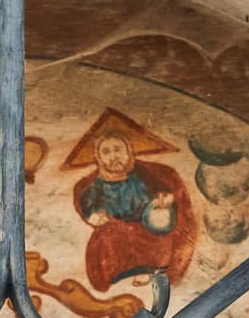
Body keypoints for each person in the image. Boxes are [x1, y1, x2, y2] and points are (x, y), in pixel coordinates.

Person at [65, 109, 198, 291]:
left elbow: (163, 188)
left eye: (118, 149)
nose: (114, 156)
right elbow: (87, 202)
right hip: (114, 227)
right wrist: (92, 215)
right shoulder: (96, 184)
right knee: (109, 239)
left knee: (159, 239)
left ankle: (148, 270)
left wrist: (165, 198)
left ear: (129, 151)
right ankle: (118, 274)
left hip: (145, 225)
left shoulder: (143, 174)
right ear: (99, 158)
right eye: (106, 152)